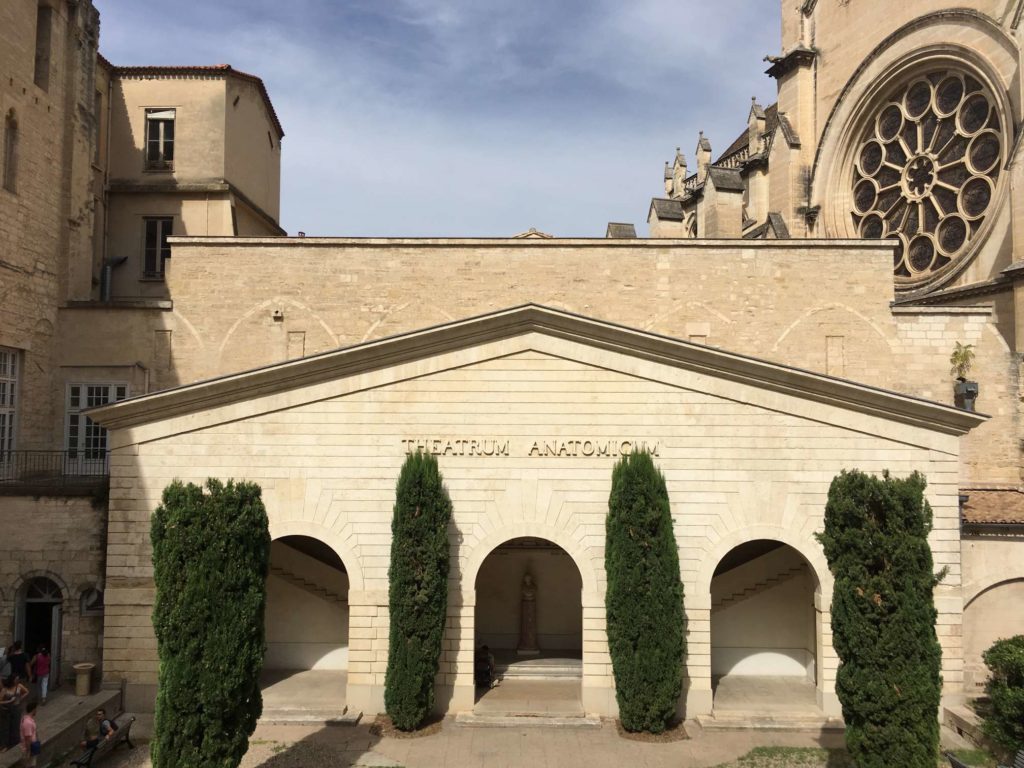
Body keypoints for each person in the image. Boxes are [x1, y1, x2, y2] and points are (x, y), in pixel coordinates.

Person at [0, 676, 29, 751]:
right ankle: (5, 744)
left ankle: (14, 742)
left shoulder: (19, 686)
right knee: (6, 727)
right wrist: (9, 701)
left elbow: (26, 691)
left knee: (15, 726)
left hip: (16, 708)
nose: (17, 680)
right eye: (16, 679)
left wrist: (20, 698)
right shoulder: (5, 689)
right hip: (7, 710)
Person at [20, 700, 39, 767]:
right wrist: (29, 751)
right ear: (33, 710)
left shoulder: (29, 720)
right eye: (36, 709)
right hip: (30, 749)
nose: (36, 711)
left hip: (32, 747)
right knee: (30, 765)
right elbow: (28, 738)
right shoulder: (28, 722)